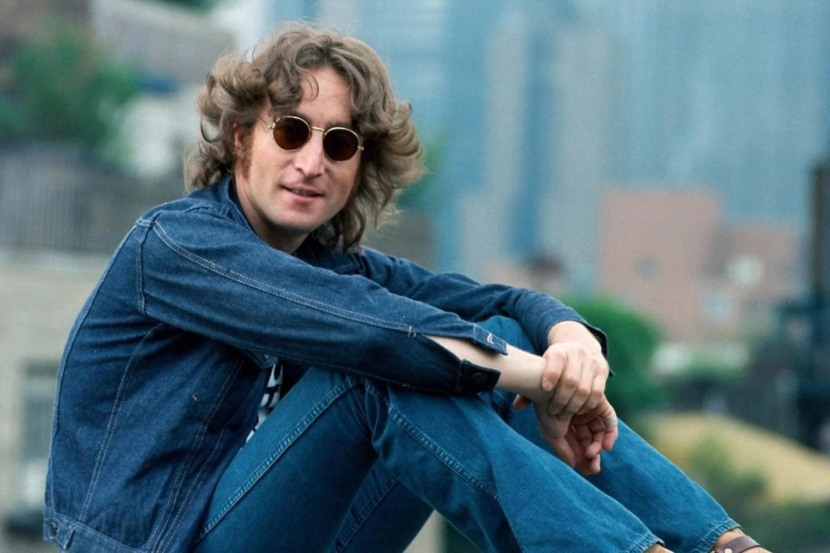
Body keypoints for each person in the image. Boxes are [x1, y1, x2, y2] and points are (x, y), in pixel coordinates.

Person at [43, 22, 770, 553]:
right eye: (291, 131)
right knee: (378, 368)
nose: (312, 161)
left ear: (360, 165)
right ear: (241, 139)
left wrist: (570, 339)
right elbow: (378, 336)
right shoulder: (176, 245)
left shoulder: (333, 266)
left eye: (339, 143)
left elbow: (497, 305)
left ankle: (719, 544)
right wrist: (540, 382)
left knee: (492, 339)